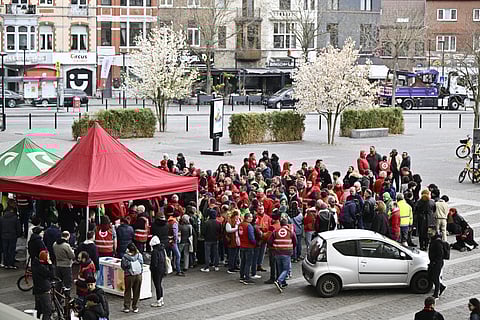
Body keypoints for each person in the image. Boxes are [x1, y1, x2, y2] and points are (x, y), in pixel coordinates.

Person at [268, 217, 296, 293]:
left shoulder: (275, 231)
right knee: (286, 269)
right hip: (286, 252)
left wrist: (274, 246)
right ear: (286, 224)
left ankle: (282, 283)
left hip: (277, 252)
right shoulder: (290, 232)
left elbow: (270, 241)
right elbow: (295, 241)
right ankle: (279, 280)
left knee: (280, 268)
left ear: (280, 223)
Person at [32, 250, 55, 320]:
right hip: (44, 290)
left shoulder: (36, 265)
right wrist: (50, 265)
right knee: (47, 311)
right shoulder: (42, 268)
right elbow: (52, 274)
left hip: (37, 290)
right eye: (48, 257)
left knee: (38, 310)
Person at [121, 243, 144, 313]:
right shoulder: (139, 255)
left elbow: (123, 266)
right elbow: (142, 264)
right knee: (137, 291)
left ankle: (127, 307)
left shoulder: (125, 257)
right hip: (138, 275)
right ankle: (135, 307)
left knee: (128, 291)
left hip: (129, 276)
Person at [0, 199, 21, 269]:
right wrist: (18, 234)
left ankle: (6, 263)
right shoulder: (15, 218)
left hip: (4, 236)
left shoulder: (2, 218)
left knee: (5, 250)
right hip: (12, 236)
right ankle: (11, 263)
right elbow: (18, 228)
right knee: (11, 250)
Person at [201, 208, 221, 273]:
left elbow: (203, 232)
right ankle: (216, 266)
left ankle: (207, 267)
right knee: (216, 253)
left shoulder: (206, 223)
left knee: (207, 253)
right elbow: (220, 231)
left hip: (207, 239)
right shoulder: (218, 223)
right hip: (215, 239)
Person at [238, 212, 256, 285]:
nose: (252, 218)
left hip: (242, 245)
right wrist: (255, 243)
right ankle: (247, 278)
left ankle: (242, 276)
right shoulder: (249, 226)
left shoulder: (240, 225)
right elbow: (251, 237)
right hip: (249, 246)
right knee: (248, 262)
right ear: (247, 218)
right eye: (250, 217)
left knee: (243, 261)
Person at [428, 230, 446, 299]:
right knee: (430, 276)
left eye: (430, 233)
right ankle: (441, 287)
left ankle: (436, 293)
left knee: (435, 277)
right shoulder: (433, 240)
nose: (429, 234)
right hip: (433, 262)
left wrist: (435, 261)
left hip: (437, 262)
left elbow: (440, 254)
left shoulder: (437, 242)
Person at [149, 236, 166, 308]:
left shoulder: (154, 252)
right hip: (162, 268)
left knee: (157, 285)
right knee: (159, 284)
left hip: (157, 270)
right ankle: (161, 299)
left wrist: (151, 268)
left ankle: (158, 300)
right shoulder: (162, 249)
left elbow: (154, 263)